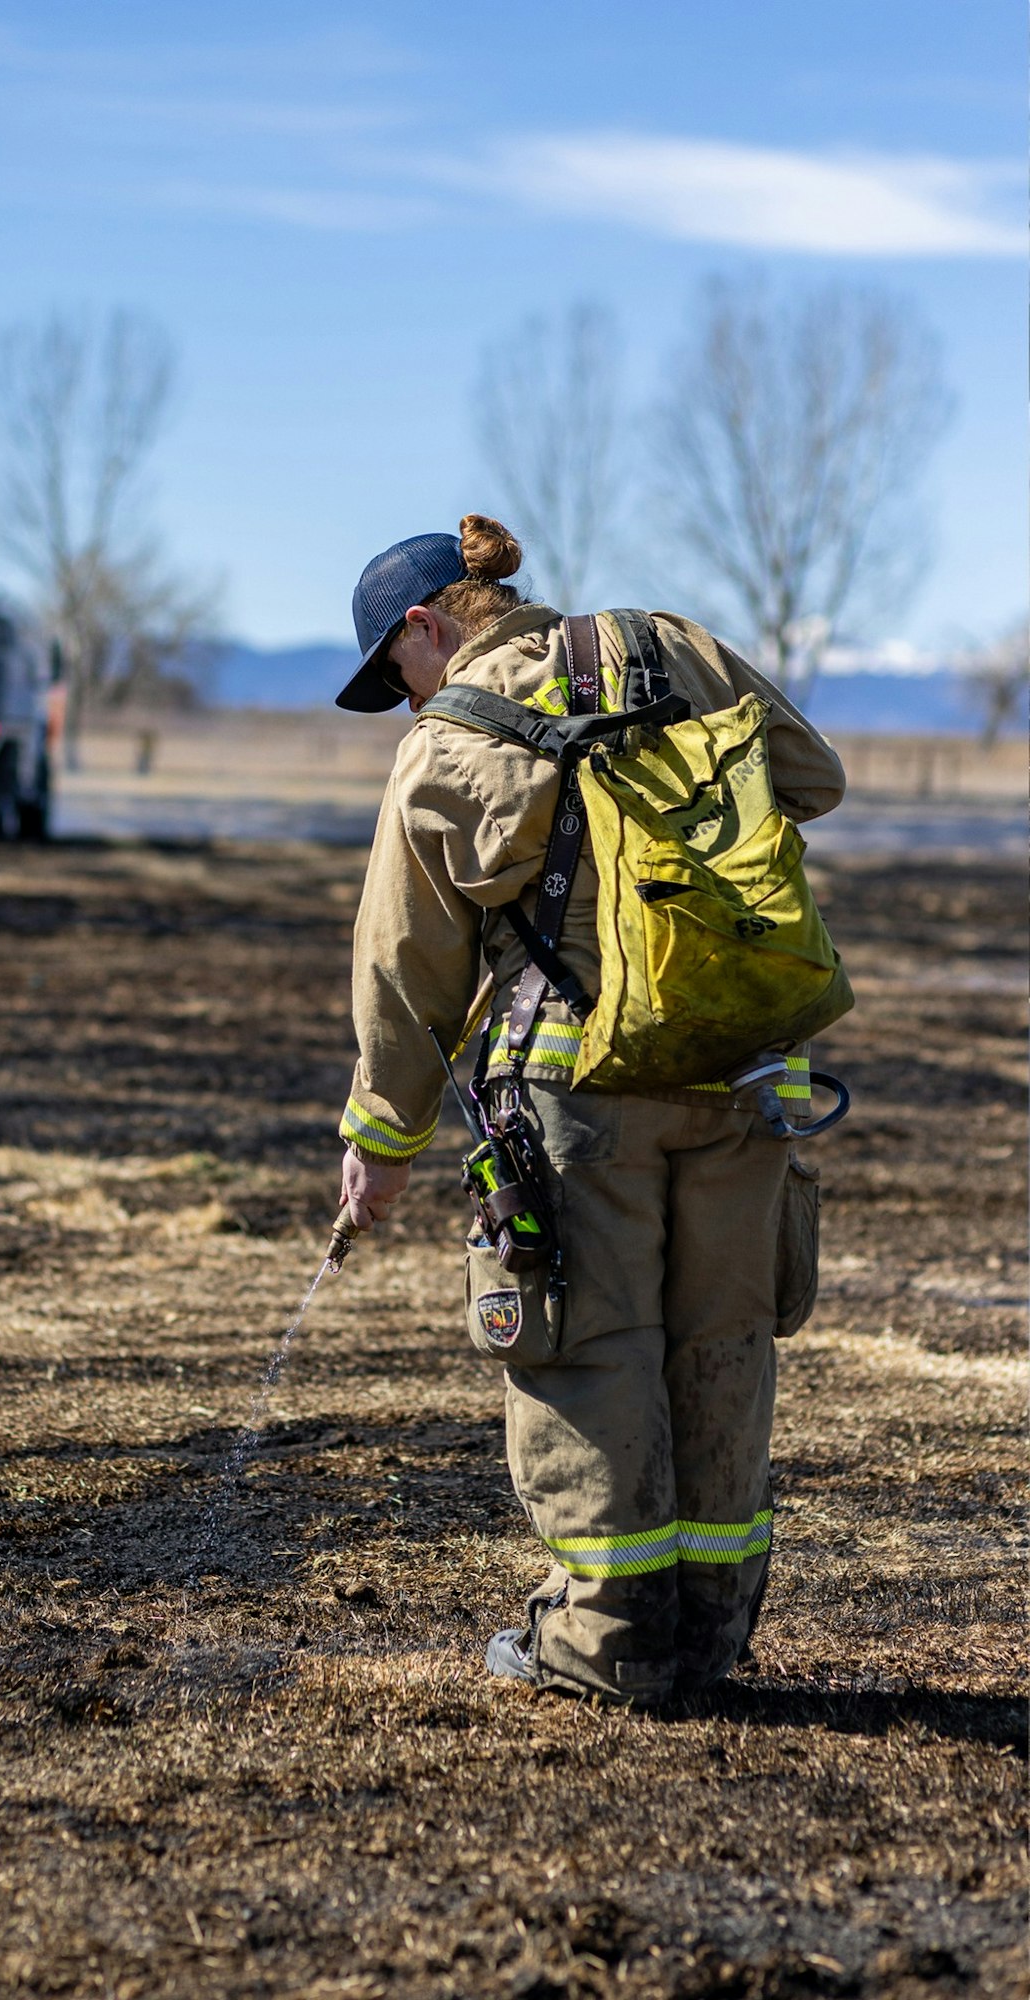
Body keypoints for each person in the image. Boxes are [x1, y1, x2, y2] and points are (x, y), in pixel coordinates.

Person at [334, 514, 846, 1707]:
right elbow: (813, 781)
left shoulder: (445, 746)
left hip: (571, 1093)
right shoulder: (672, 645)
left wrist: (381, 1144)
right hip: (736, 1067)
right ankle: (711, 1633)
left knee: (589, 1352)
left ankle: (607, 1642)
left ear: (426, 625)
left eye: (393, 674)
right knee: (722, 1342)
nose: (405, 702)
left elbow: (407, 976)